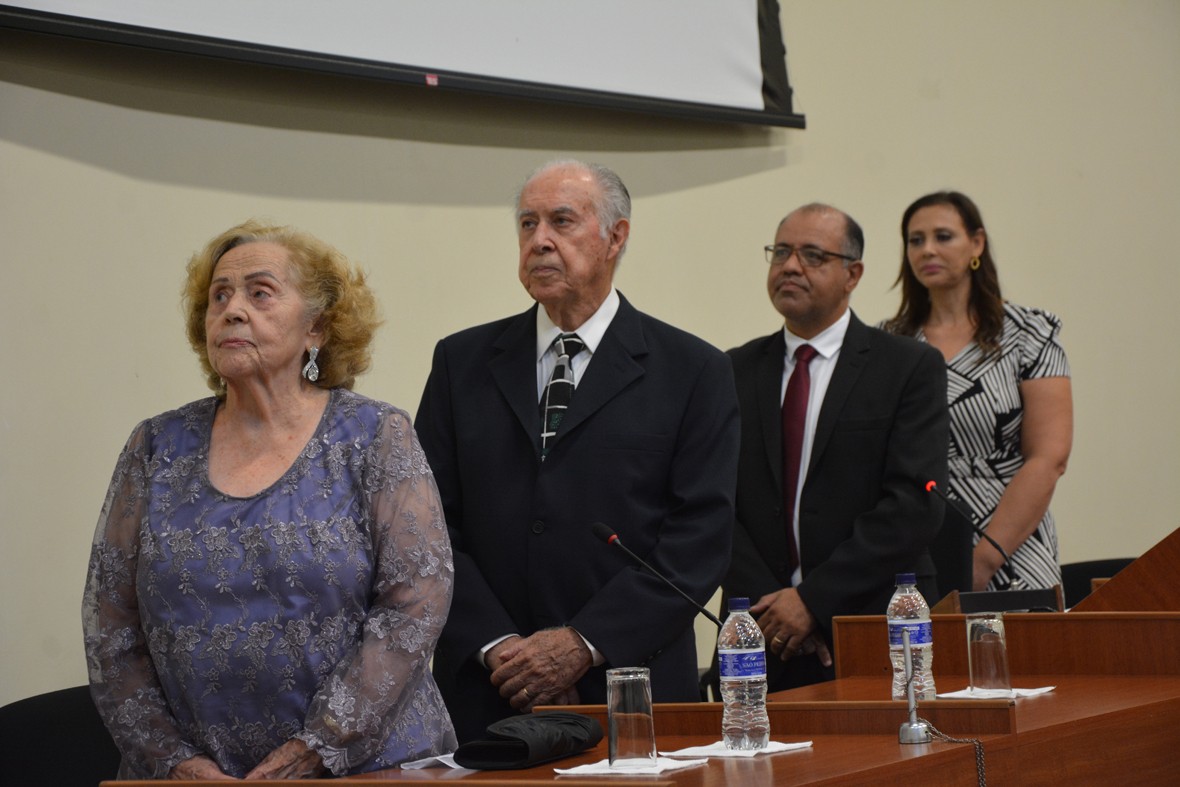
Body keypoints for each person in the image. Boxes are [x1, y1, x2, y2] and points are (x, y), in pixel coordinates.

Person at [82, 220, 457, 779]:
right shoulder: (155, 445)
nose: (233, 310)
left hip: (365, 766)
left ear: (318, 328)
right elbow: (109, 624)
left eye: (260, 293)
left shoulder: (374, 435)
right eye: (219, 296)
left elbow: (415, 601)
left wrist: (319, 745)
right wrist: (172, 761)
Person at [416, 160, 739, 742]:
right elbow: (427, 531)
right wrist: (501, 650)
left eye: (562, 222)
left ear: (616, 237)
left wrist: (581, 645)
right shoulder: (459, 363)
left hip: (630, 690)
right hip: (487, 694)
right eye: (527, 224)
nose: (539, 240)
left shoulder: (694, 370)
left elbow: (699, 540)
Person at [724, 203, 949, 691]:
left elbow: (914, 505)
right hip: (765, 636)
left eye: (811, 255)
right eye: (780, 252)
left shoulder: (907, 367)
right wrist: (776, 609)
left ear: (853, 274)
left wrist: (812, 602)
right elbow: (715, 505)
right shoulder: (731, 372)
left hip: (875, 626)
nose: (789, 266)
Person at [882, 191, 1072, 592]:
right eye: (916, 240)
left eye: (943, 236)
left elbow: (1049, 458)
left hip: (1011, 539)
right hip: (912, 540)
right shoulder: (890, 342)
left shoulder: (1030, 333)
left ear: (977, 243)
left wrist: (982, 560)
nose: (927, 250)